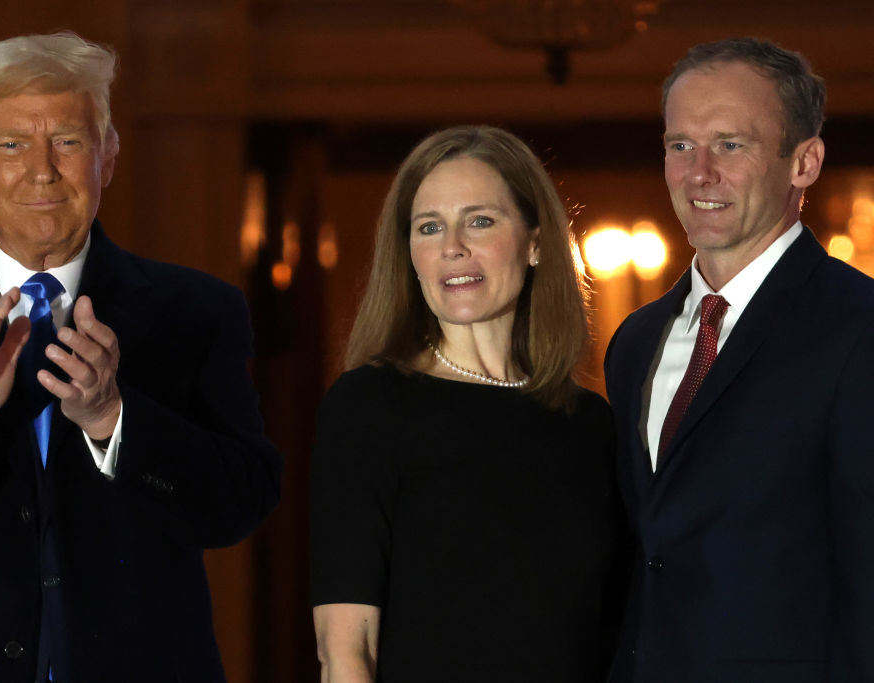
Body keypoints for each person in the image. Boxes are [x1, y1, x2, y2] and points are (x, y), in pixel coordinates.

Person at [0, 32, 281, 682]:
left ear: (107, 157)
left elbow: (240, 502)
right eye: (12, 145)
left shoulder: (196, 310)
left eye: (69, 142)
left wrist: (115, 420)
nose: (43, 169)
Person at [310, 126, 628, 682]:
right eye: (429, 227)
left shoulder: (589, 424)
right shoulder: (369, 405)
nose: (451, 246)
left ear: (534, 243)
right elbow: (346, 649)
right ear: (409, 255)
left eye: (479, 221)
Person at [604, 37, 874, 681]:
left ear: (804, 162)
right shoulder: (635, 340)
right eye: (680, 146)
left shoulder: (859, 325)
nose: (700, 172)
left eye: (730, 144)